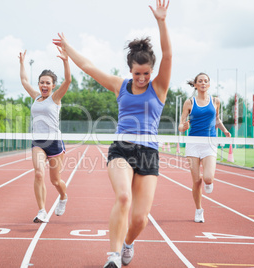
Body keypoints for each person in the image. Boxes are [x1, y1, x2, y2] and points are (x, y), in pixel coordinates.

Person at [53, 1, 171, 267]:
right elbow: (89, 67)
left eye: (146, 73)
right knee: (123, 197)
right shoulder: (121, 86)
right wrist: (67, 47)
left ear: (152, 71)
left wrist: (161, 22)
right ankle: (114, 256)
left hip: (149, 154)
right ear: (130, 70)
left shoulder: (159, 87)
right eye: (137, 73)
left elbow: (168, 55)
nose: (142, 78)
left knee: (140, 219)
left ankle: (128, 244)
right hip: (122, 149)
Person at [18, 48, 71, 223]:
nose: (44, 85)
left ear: (53, 85)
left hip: (54, 143)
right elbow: (24, 81)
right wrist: (22, 63)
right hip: (38, 142)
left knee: (56, 181)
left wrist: (65, 61)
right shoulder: (35, 97)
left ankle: (63, 196)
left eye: (47, 83)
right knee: (39, 174)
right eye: (42, 82)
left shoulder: (55, 98)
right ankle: (42, 211)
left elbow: (68, 80)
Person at [178, 72, 231, 223]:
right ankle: (199, 210)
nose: (202, 83)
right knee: (196, 181)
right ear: (195, 85)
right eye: (200, 81)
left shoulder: (215, 101)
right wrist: (184, 126)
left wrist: (224, 130)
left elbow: (217, 119)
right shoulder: (189, 102)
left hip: (209, 143)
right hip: (193, 144)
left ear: (209, 84)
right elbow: (181, 125)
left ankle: (209, 182)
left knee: (208, 178)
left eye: (205, 81)